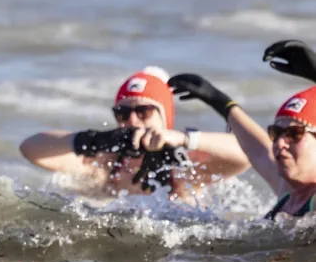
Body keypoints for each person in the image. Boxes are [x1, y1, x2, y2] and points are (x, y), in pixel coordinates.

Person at [19, 67, 250, 199]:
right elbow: (31, 148)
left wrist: (183, 139)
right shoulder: (105, 165)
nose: (132, 120)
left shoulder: (184, 167)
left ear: (165, 118)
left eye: (144, 111)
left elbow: (247, 155)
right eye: (122, 113)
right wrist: (99, 140)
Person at [168, 64, 316, 219]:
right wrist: (218, 100)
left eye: (294, 134)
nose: (280, 143)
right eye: (277, 133)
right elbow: (259, 150)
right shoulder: (288, 191)